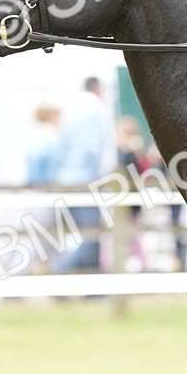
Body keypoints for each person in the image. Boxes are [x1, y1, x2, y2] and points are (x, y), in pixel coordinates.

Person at [53, 77, 110, 272]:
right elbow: (94, 147)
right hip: (86, 179)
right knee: (92, 234)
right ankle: (59, 273)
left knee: (78, 234)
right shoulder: (95, 108)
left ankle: (91, 289)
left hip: (65, 178)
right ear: (97, 89)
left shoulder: (71, 107)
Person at [26, 104, 62, 185]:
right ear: (50, 116)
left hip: (36, 183)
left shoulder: (36, 134)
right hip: (46, 184)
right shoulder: (51, 136)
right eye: (57, 116)